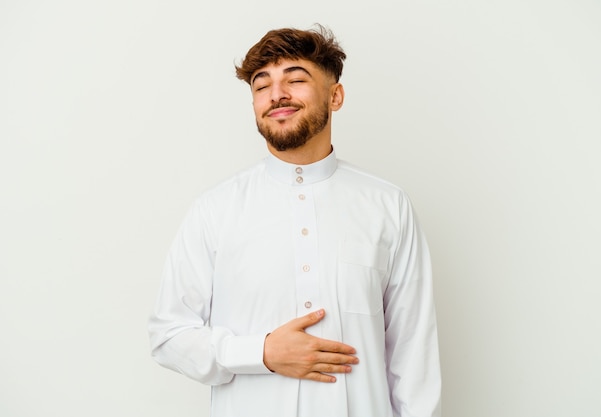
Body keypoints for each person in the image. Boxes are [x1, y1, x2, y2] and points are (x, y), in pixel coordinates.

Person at [148, 25, 441, 417]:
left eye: (296, 79)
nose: (276, 95)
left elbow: (414, 355)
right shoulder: (215, 210)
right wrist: (262, 352)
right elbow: (168, 335)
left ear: (335, 95)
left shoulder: (388, 206)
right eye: (261, 84)